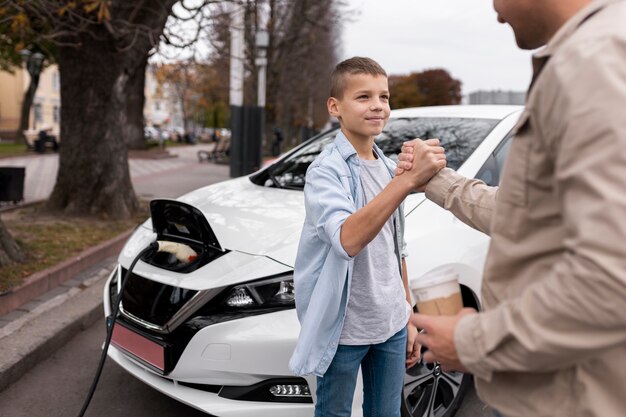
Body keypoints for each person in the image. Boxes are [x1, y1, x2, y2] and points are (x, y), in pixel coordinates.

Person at [396, 1, 626, 417]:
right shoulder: (591, 56)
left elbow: (613, 277)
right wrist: (437, 182)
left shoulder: (596, 61)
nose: (495, 12)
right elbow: (528, 215)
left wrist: (472, 341)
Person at [288, 57, 446, 417]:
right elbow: (347, 240)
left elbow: (396, 248)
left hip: (389, 324)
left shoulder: (390, 167)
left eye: (384, 97)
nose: (377, 105)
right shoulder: (325, 172)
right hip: (343, 331)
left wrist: (407, 315)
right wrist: (405, 182)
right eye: (363, 97)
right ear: (335, 107)